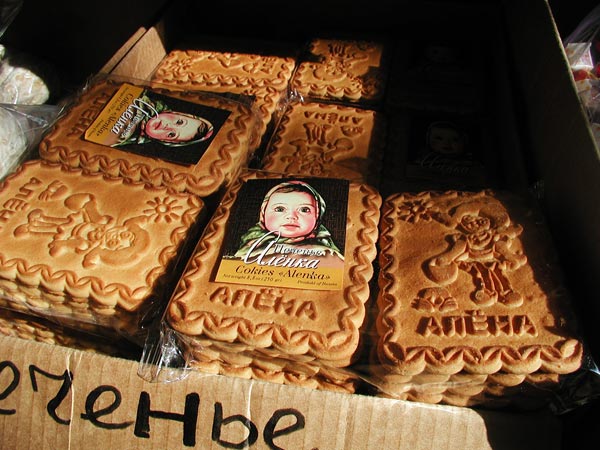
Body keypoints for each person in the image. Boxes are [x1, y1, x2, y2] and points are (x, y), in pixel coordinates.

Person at [234, 180, 344, 262]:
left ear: (318, 216)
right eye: (280, 209)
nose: (291, 216)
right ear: (263, 213)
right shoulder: (250, 244)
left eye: (304, 210)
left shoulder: (328, 254)